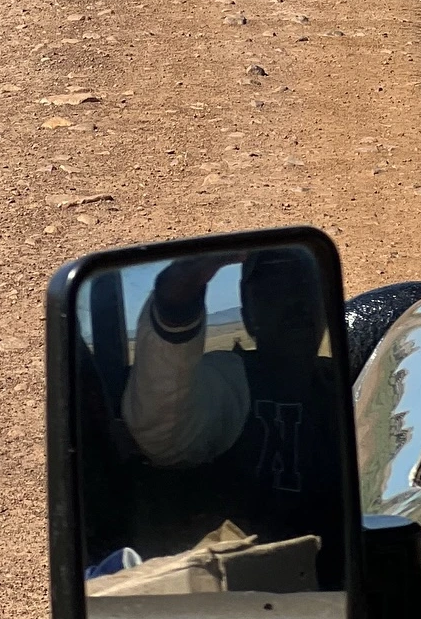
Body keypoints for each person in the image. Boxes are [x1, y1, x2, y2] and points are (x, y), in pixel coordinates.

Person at [120, 248, 346, 587]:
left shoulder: (340, 380)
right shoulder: (231, 380)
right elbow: (164, 432)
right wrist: (176, 301)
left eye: (306, 290)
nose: (297, 304)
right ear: (249, 316)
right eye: (276, 292)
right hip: (253, 594)